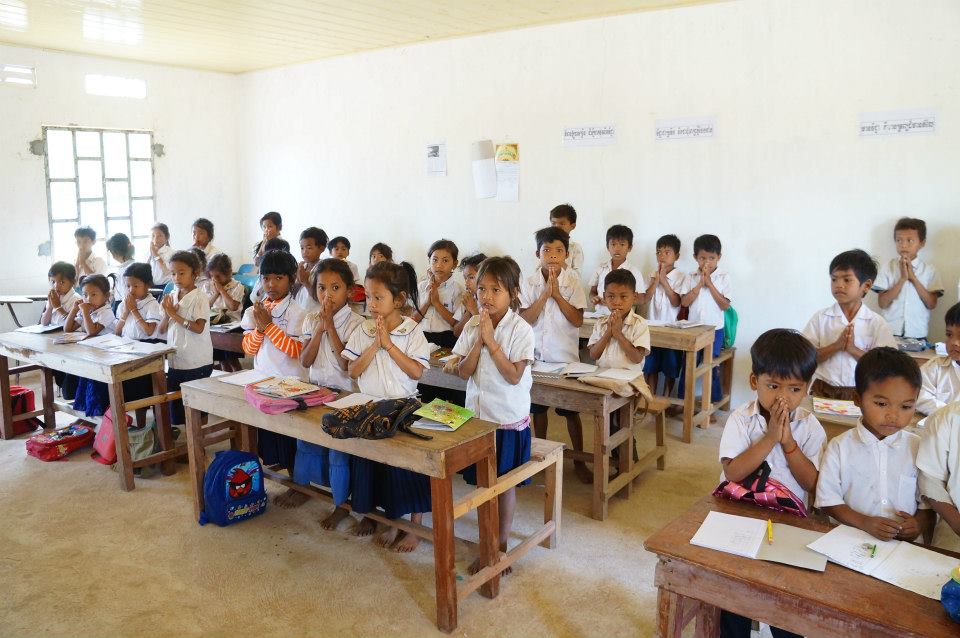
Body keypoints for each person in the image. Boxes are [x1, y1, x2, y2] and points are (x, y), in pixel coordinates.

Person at [716, 328, 825, 638]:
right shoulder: (741, 419)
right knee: (734, 588)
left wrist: (788, 442)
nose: (782, 397)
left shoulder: (809, 427)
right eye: (773, 386)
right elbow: (733, 472)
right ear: (755, 381)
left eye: (794, 389)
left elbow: (812, 483)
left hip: (790, 522)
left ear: (807, 388)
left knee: (786, 597)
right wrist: (770, 436)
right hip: (740, 514)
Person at [343, 261, 432, 552]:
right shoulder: (363, 329)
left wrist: (389, 345)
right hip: (371, 407)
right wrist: (375, 345)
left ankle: (414, 528)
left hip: (403, 409)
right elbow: (352, 371)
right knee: (376, 468)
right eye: (368, 296)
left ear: (399, 299)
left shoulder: (411, 330)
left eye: (378, 297)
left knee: (406, 471)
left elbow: (416, 371)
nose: (371, 303)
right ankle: (387, 520)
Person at [453, 256, 534, 575]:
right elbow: (463, 372)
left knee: (502, 485)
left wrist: (491, 342)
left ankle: (499, 545)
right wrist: (479, 339)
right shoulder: (474, 324)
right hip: (478, 419)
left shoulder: (521, 329)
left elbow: (514, 376)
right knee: (483, 485)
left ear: (512, 293)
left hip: (506, 421)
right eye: (481, 289)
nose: (486, 296)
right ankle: (487, 541)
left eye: (495, 290)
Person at [816, 347, 933, 543]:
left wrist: (918, 524)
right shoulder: (839, 447)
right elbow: (829, 501)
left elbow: (928, 504)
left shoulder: (918, 447)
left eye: (906, 406)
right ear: (857, 399)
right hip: (850, 543)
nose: (893, 415)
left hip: (903, 548)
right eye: (881, 404)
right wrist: (864, 522)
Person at [296, 258, 365, 532]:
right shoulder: (311, 319)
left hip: (344, 397)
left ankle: (340, 505)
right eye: (322, 287)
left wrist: (331, 327)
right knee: (307, 443)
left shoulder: (357, 324)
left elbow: (347, 366)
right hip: (316, 392)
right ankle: (304, 487)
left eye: (335, 288)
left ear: (349, 291)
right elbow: (305, 360)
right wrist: (320, 328)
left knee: (338, 453)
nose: (327, 294)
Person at [519, 226, 590, 483]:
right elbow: (524, 319)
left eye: (558, 251)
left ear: (566, 255)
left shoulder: (573, 282)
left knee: (571, 412)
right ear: (537, 253)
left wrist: (557, 295)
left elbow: (577, 320)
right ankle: (541, 457)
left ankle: (580, 461)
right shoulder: (528, 282)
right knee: (538, 410)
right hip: (536, 359)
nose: (552, 255)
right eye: (546, 250)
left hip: (564, 359)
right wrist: (544, 295)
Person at [240, 249, 309, 508]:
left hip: (291, 384)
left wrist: (268, 326)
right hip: (263, 381)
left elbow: (295, 350)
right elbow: (248, 348)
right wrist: (260, 328)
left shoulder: (298, 313)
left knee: (293, 441)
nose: (271, 284)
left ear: (291, 279)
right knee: (272, 437)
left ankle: (301, 486)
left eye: (278, 278)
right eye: (266, 278)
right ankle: (287, 481)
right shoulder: (255, 311)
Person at [802, 249, 897, 400]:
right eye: (834, 279)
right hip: (822, 390)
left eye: (847, 280)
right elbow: (804, 359)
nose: (839, 285)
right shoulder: (820, 318)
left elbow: (885, 367)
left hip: (860, 393)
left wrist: (853, 349)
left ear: (866, 285)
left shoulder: (876, 323)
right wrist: (836, 346)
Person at [158, 250, 214, 435]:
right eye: (173, 273)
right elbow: (161, 329)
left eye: (181, 273)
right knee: (179, 405)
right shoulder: (171, 295)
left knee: (198, 405)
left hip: (196, 360)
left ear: (195, 273)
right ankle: (189, 440)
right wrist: (167, 314)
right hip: (176, 359)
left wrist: (174, 314)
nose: (176, 278)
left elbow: (198, 328)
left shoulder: (199, 297)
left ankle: (200, 440)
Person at [677, 234, 731, 419]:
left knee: (711, 366)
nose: (707, 262)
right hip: (694, 328)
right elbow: (684, 302)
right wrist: (700, 284)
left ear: (719, 257)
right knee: (688, 364)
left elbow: (725, 305)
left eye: (711, 258)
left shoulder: (723, 277)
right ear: (695, 258)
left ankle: (711, 406)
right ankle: (684, 402)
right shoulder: (691, 277)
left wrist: (710, 284)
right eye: (702, 258)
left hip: (715, 330)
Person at [874, 217, 943, 339]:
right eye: (899, 240)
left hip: (917, 334)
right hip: (889, 333)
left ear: (922, 243)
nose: (903, 245)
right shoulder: (888, 267)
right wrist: (902, 279)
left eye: (910, 240)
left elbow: (932, 304)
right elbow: (882, 303)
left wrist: (913, 278)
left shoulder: (929, 271)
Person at [113, 262, 163, 428]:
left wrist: (134, 311)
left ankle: (145, 426)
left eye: (135, 286)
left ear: (147, 285)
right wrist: (125, 312)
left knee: (143, 391)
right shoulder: (124, 304)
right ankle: (129, 425)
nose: (131, 290)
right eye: (128, 286)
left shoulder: (152, 304)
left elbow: (149, 331)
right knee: (129, 389)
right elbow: (117, 332)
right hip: (128, 349)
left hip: (147, 350)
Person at [65, 274, 117, 420]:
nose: (88, 299)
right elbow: (67, 328)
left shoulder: (106, 312)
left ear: (106, 296)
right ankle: (86, 416)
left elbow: (92, 331)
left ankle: (100, 416)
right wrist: (74, 310)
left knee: (97, 388)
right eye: (85, 295)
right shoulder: (87, 310)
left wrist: (84, 312)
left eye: (94, 295)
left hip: (105, 357)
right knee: (85, 384)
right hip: (90, 355)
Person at [643, 234, 685, 397]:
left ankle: (666, 398)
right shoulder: (652, 275)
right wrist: (656, 280)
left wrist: (664, 281)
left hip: (672, 329)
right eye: (659, 252)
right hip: (651, 327)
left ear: (677, 256)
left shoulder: (681, 277)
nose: (662, 256)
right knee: (650, 366)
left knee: (671, 367)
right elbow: (646, 298)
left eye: (667, 252)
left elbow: (676, 302)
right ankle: (651, 399)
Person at [202, 253, 246, 372]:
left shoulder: (237, 286)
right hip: (215, 326)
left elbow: (233, 306)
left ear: (228, 272)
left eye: (218, 276)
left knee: (232, 360)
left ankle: (239, 378)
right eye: (212, 276)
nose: (214, 280)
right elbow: (205, 306)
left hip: (232, 327)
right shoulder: (208, 286)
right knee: (222, 360)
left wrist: (221, 290)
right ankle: (226, 378)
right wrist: (216, 293)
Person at [416, 239, 463, 348]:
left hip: (446, 340)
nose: (438, 265)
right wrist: (427, 303)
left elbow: (456, 324)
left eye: (445, 261)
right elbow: (413, 319)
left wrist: (437, 303)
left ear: (454, 264)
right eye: (435, 260)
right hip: (420, 337)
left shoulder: (458, 290)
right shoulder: (421, 287)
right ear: (429, 261)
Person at [916, 302, 960, 415]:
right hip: (939, 422)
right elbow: (918, 395)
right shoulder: (936, 366)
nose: (954, 342)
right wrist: (951, 414)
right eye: (949, 335)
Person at [588, 224, 642, 311]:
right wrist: (594, 298)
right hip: (600, 314)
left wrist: (616, 301)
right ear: (607, 247)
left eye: (622, 244)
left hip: (623, 317)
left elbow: (641, 299)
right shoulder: (601, 268)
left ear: (629, 248)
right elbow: (592, 292)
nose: (617, 249)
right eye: (613, 244)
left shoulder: (634, 271)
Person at [453, 253, 487, 337]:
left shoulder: (490, 301)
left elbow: (486, 333)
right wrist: (468, 311)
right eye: (465, 278)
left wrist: (473, 310)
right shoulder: (468, 299)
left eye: (471, 277)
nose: (466, 283)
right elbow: (457, 332)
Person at [296, 226, 329, 312]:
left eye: (309, 248)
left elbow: (322, 297)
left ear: (321, 248)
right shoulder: (302, 267)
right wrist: (298, 281)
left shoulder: (324, 269)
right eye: (302, 248)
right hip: (299, 311)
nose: (304, 252)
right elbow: (293, 293)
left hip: (315, 313)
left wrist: (306, 282)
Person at [40, 261, 79, 327]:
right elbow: (44, 323)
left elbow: (73, 325)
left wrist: (58, 307)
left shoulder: (77, 300)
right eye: (53, 281)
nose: (56, 286)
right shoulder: (53, 297)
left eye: (61, 282)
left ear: (73, 282)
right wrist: (50, 307)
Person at [548, 203, 583, 276]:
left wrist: (561, 262)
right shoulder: (545, 246)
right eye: (553, 223)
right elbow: (537, 272)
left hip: (568, 283)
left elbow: (577, 276)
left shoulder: (575, 248)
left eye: (562, 224)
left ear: (572, 226)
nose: (557, 227)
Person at [105, 232, 135, 313]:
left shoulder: (128, 268)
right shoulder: (125, 267)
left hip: (125, 306)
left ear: (114, 253)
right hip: (122, 304)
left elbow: (126, 293)